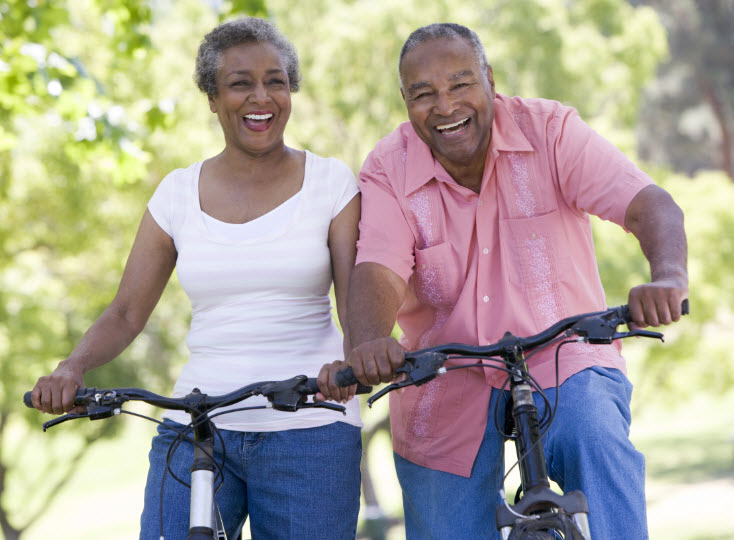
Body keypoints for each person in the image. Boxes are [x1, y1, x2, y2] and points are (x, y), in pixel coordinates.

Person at [318, 23, 688, 539]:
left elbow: (649, 205)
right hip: (442, 374)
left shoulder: (550, 130)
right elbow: (377, 269)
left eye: (460, 84)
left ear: (490, 80)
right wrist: (369, 343)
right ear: (405, 101)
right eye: (424, 94)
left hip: (563, 354)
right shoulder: (388, 167)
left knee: (595, 437)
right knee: (445, 520)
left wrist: (668, 278)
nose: (445, 106)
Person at [30, 17, 362, 539]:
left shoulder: (331, 183)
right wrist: (71, 368)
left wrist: (356, 358)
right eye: (240, 83)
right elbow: (125, 312)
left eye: (275, 80)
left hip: (310, 425)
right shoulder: (176, 194)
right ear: (211, 97)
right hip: (197, 422)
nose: (262, 97)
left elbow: (356, 300)